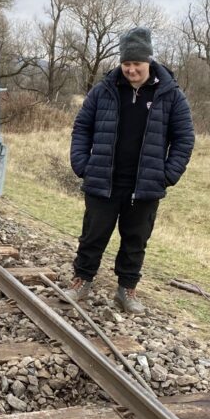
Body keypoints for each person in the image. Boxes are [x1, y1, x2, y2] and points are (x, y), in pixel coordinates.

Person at [66, 27, 194, 314]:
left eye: (137, 64)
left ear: (148, 61)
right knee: (92, 235)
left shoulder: (171, 95)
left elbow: (184, 139)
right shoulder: (104, 90)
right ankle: (81, 282)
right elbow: (82, 127)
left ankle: (126, 290)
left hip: (145, 185)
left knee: (135, 240)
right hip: (103, 180)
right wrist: (81, 164)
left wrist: (167, 174)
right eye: (126, 64)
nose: (131, 70)